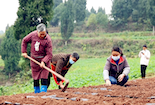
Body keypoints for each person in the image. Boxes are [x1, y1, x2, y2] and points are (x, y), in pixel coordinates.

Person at [21, 23, 53, 93]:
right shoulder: (33, 35)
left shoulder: (48, 40)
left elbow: (49, 54)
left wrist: (44, 61)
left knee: (44, 77)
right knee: (35, 77)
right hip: (34, 60)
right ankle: (36, 92)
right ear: (37, 32)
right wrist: (24, 51)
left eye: (44, 34)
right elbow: (24, 41)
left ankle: (43, 92)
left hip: (44, 60)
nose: (42, 36)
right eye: (41, 34)